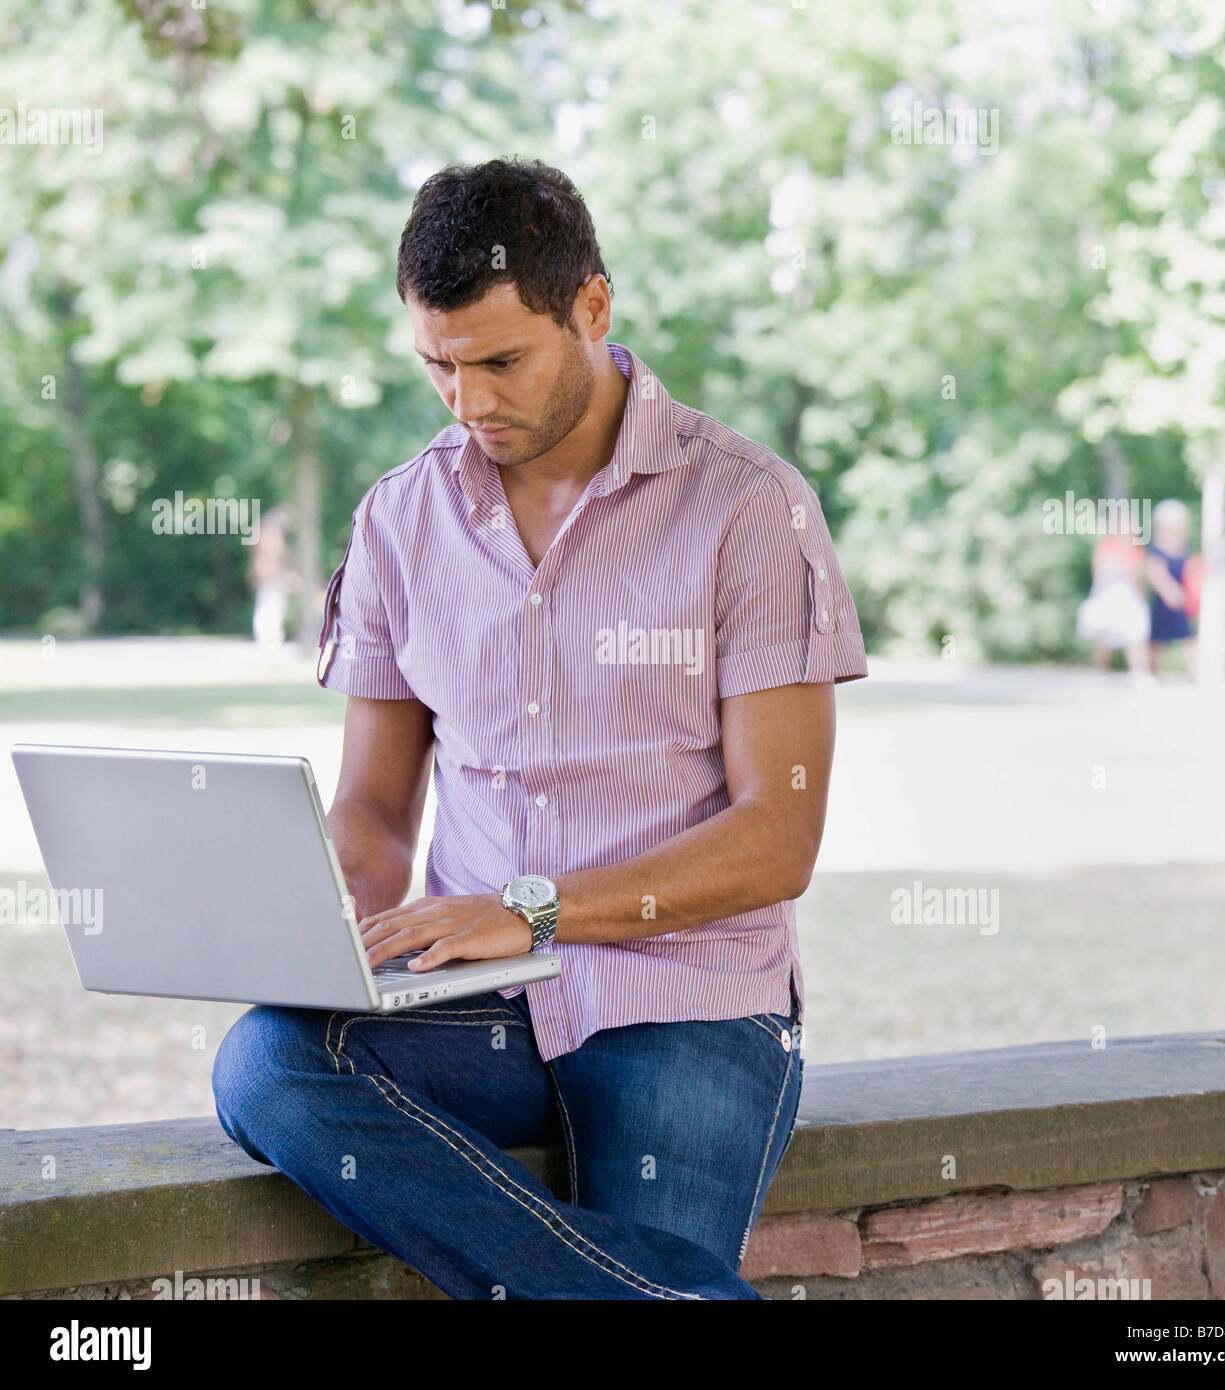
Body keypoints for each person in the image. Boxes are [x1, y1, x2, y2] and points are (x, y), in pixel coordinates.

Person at [211, 158, 868, 1299]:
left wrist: (530, 908)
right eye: (438, 368)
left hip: (690, 1000)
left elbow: (778, 839)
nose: (469, 403)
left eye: (500, 361)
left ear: (592, 310)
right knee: (269, 1063)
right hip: (475, 1006)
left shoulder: (749, 509)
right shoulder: (400, 519)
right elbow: (373, 812)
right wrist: (311, 930)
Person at [1076, 519, 1150, 674]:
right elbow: (1099, 573)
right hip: (1109, 596)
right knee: (1104, 638)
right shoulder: (1106, 547)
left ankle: (1139, 673)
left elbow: (1139, 577)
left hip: (1130, 597)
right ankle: (1100, 672)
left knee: (1135, 636)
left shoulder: (1137, 549)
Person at [1146, 498, 1197, 678]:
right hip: (1164, 600)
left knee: (1188, 637)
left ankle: (1195, 674)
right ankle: (1152, 674)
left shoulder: (1184, 547)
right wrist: (1169, 591)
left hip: (1181, 599)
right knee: (1156, 640)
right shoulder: (1157, 548)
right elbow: (1155, 572)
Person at [248, 504, 294, 651]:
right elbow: (274, 558)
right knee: (270, 608)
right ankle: (268, 640)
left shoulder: (264, 534)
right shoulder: (270, 535)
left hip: (272, 578)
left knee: (273, 608)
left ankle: (270, 640)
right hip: (271, 578)